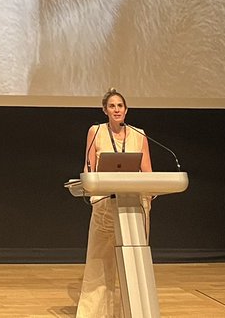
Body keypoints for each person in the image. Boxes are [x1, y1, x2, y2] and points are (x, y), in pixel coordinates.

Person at [75, 88, 153, 318]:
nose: (116, 110)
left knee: (134, 262)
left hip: (135, 205)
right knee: (100, 260)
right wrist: (92, 188)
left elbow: (147, 172)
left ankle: (133, 311)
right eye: (112, 106)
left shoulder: (139, 134)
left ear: (126, 110)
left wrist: (149, 193)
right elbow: (88, 168)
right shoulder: (96, 131)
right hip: (105, 204)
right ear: (105, 110)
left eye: (120, 106)